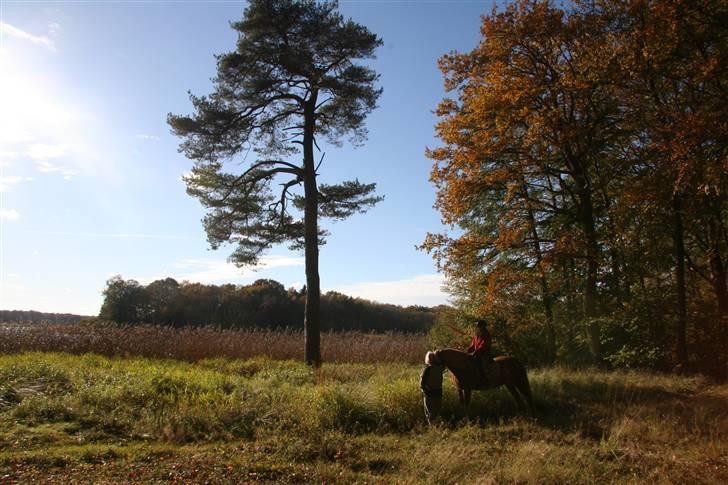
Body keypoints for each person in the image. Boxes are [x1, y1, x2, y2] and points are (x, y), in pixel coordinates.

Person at [466, 319, 493, 385]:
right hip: (477, 354)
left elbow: (483, 346)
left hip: (484, 354)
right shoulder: (476, 336)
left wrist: (475, 352)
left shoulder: (486, 334)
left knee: (483, 365)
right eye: (478, 326)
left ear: (483, 326)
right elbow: (472, 345)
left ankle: (487, 379)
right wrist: (467, 350)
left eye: (479, 326)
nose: (478, 328)